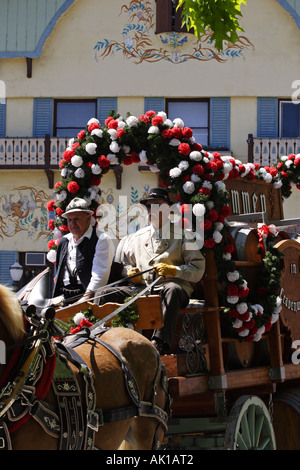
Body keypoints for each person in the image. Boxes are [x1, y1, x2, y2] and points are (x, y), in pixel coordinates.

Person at [96, 188, 205, 353]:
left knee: (172, 289)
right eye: (148, 207)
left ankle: (159, 344)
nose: (151, 211)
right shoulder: (135, 237)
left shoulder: (184, 236)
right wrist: (130, 274)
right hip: (142, 289)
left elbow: (197, 269)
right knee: (103, 293)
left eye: (157, 206)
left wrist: (174, 271)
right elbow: (126, 265)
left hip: (172, 290)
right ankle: (99, 337)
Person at [53, 197, 115, 304]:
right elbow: (59, 274)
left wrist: (85, 300)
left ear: (88, 217)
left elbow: (99, 276)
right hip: (63, 298)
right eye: (69, 220)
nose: (72, 224)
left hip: (89, 298)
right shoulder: (64, 241)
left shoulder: (101, 239)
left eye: (76, 219)